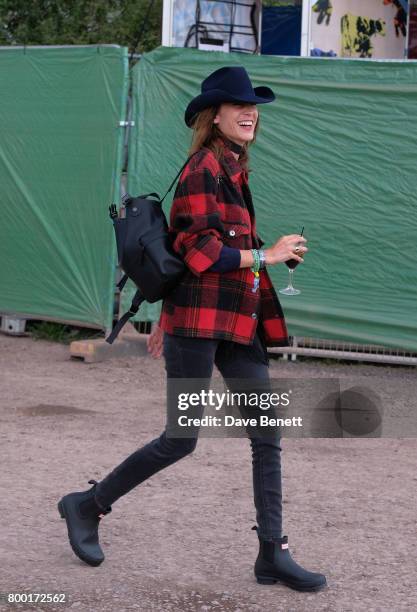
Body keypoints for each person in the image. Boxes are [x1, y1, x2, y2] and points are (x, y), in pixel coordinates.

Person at [58, 66, 327, 592]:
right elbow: (199, 251)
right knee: (181, 439)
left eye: (254, 107)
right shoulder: (205, 166)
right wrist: (265, 254)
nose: (250, 113)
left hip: (237, 322)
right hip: (199, 325)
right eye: (238, 105)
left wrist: (262, 255)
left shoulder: (235, 170)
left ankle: (272, 552)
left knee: (267, 434)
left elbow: (213, 249)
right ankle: (86, 505)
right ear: (214, 115)